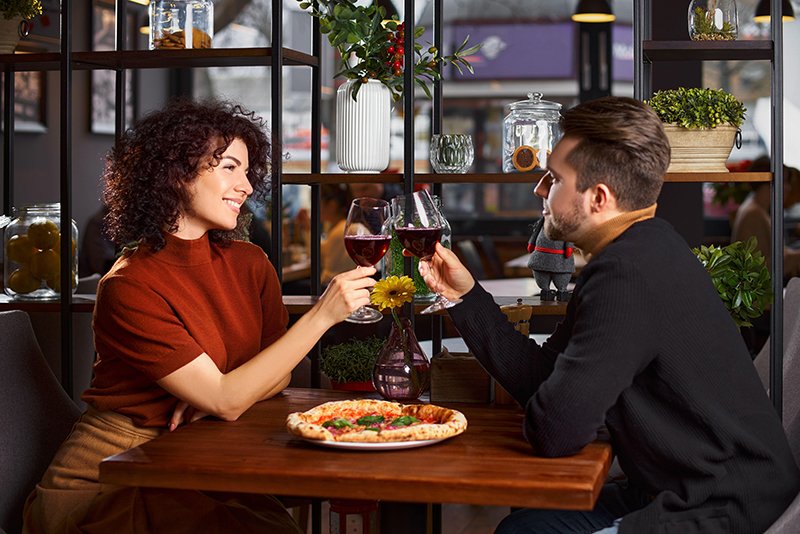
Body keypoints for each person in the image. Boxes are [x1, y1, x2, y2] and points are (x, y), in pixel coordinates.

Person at [416, 96, 800, 533]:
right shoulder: (643, 247)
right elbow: (543, 379)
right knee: (526, 528)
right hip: (676, 487)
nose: (540, 189)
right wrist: (467, 296)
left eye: (554, 178)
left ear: (598, 198)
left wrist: (566, 405)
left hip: (720, 509)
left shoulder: (626, 273)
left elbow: (555, 432)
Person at [23, 99, 376, 533]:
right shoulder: (129, 285)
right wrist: (322, 316)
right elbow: (230, 398)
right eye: (229, 167)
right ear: (175, 173)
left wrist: (215, 401)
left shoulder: (250, 263)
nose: (246, 187)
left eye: (247, 171)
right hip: (109, 480)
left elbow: (278, 374)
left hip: (197, 459)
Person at [730, 155, 800, 279]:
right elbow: (761, 267)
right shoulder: (754, 214)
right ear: (770, 181)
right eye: (784, 181)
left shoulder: (755, 208)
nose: (788, 188)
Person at [320, 183, 356, 285]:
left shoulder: (341, 231)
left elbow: (329, 276)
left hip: (343, 289)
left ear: (332, 205)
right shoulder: (337, 227)